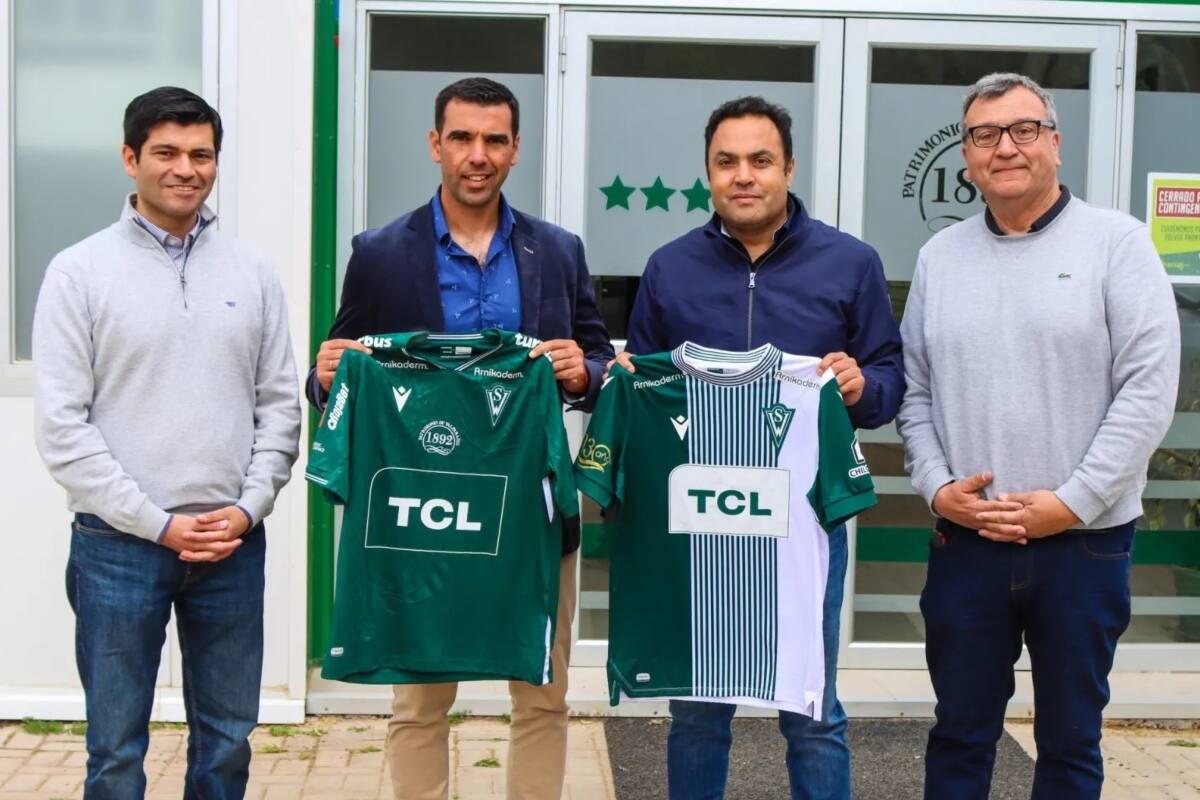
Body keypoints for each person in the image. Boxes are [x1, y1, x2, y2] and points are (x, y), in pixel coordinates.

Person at [306, 76, 613, 800]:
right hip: (424, 516)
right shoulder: (381, 252)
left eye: (494, 140)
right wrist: (323, 376)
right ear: (435, 144)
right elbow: (339, 373)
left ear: (515, 149)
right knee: (419, 701)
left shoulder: (557, 251)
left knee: (541, 691)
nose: (479, 155)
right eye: (463, 138)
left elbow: (599, 359)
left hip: (534, 507)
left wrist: (583, 373)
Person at [896, 72, 1180, 800]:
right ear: (967, 158)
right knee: (959, 735)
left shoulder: (1118, 244)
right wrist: (937, 489)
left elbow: (1148, 392)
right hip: (968, 543)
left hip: (1083, 544)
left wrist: (1073, 501)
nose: (1005, 148)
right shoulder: (939, 258)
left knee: (1070, 741)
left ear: (1055, 142)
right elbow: (916, 391)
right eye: (985, 135)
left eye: (1024, 130)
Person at [615, 95, 904, 800]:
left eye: (760, 160)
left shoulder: (850, 263)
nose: (744, 175)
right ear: (708, 173)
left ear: (789, 168)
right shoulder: (669, 267)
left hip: (803, 518)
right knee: (697, 709)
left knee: (811, 710)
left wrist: (861, 385)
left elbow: (890, 382)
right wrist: (623, 384)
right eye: (727, 162)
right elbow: (641, 388)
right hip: (698, 520)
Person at [32, 86, 301, 798]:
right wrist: (156, 523)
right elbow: (62, 427)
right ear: (130, 159)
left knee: (228, 742)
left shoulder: (252, 271)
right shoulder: (78, 272)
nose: (186, 169)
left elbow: (279, 406)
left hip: (231, 546)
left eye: (201, 154)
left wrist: (246, 509)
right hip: (117, 547)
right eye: (167, 153)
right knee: (116, 750)